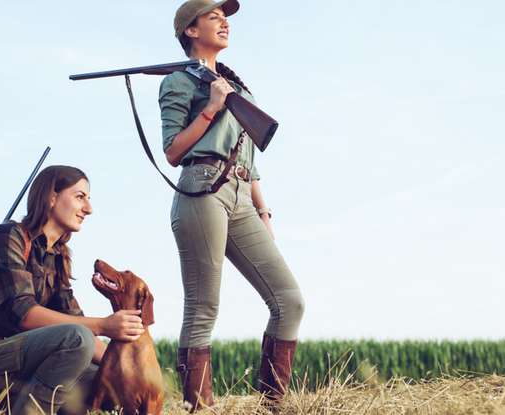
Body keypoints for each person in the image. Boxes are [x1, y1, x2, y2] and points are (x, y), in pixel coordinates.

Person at [159, 0, 306, 411]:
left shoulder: (236, 85)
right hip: (202, 189)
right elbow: (172, 151)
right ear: (191, 30)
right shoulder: (178, 82)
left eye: (224, 16)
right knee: (204, 307)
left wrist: (263, 211)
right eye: (213, 16)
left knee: (289, 300)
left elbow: (249, 160)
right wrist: (210, 108)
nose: (224, 21)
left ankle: (269, 405)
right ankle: (198, 407)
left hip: (241, 195)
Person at [0, 165, 145, 415]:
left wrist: (129, 372)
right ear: (52, 197)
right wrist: (104, 325)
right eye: (80, 197)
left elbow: (81, 325)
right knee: (76, 339)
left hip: (17, 362)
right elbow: (24, 314)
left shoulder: (57, 258)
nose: (88, 209)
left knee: (111, 383)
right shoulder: (6, 237)